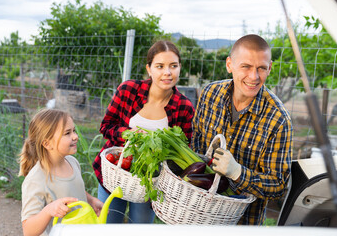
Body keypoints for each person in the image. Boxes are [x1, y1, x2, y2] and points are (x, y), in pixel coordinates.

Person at [192, 34, 293, 225]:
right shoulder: (210, 94)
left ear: (270, 68)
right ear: (229, 64)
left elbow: (278, 185)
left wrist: (237, 172)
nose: (254, 77)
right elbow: (197, 138)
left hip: (242, 223)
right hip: (196, 213)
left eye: (261, 68)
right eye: (245, 66)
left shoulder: (279, 120)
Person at [92, 40, 195, 223]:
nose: (167, 72)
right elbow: (106, 125)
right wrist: (130, 134)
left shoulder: (184, 106)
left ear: (180, 68)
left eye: (173, 66)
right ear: (149, 68)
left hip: (149, 181)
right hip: (117, 170)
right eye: (160, 66)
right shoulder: (128, 90)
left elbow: (184, 149)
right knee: (107, 226)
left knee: (140, 229)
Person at [19, 109, 104, 236]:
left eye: (73, 131)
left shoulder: (72, 162)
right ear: (47, 143)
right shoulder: (36, 179)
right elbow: (28, 230)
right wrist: (49, 210)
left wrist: (91, 200)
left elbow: (72, 189)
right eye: (67, 133)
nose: (75, 136)